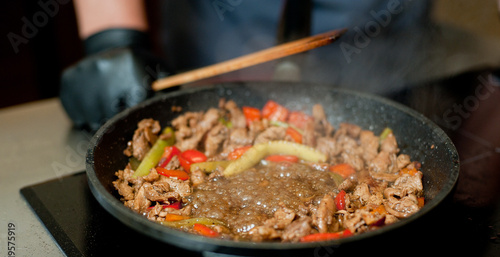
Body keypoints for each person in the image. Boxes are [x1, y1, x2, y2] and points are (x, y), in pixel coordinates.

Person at [60, 0, 433, 131]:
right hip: (223, 21)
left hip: (377, 28)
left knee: (375, 118)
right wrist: (113, 37)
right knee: (208, 111)